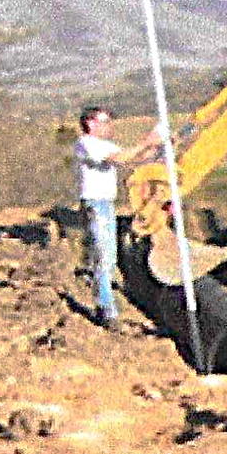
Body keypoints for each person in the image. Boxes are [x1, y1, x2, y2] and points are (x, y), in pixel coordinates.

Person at [73, 105, 160, 328]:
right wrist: (147, 141)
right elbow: (120, 158)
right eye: (105, 121)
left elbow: (132, 160)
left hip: (107, 205)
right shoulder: (87, 144)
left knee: (110, 257)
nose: (109, 126)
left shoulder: (105, 145)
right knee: (104, 257)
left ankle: (107, 305)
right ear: (90, 123)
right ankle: (106, 310)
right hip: (96, 205)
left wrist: (157, 147)